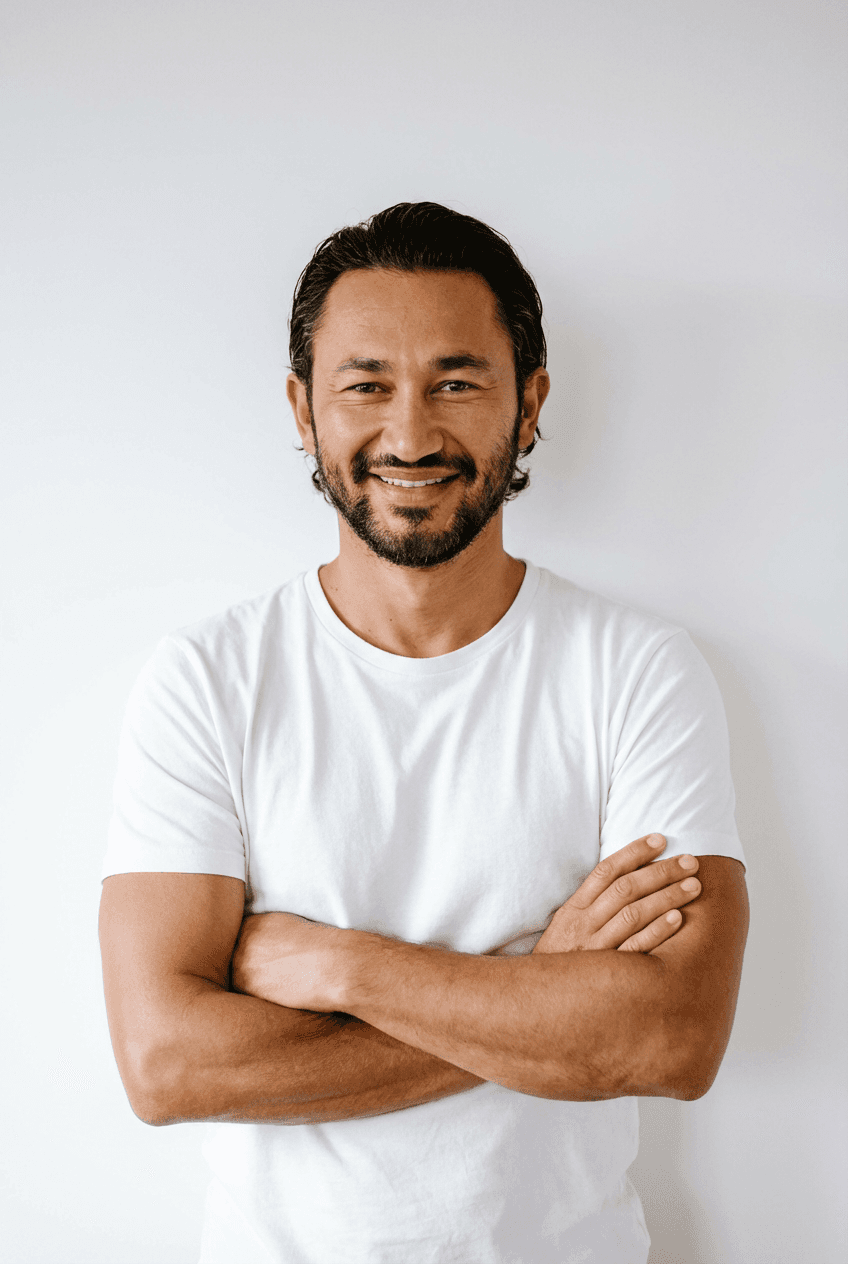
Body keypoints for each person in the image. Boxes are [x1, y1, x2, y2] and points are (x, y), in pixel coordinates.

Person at [99, 202, 749, 1264]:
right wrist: (543, 987)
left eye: (456, 382)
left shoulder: (637, 670)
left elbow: (671, 1038)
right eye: (366, 386)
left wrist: (340, 966)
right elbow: (167, 1065)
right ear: (303, 409)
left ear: (527, 404)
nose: (409, 435)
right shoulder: (207, 680)